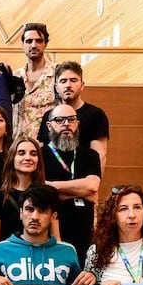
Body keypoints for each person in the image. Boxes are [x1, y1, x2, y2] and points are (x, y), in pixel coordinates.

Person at [0, 184, 92, 285]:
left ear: (53, 216)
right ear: (21, 213)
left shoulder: (68, 251)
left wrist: (90, 280)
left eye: (42, 211)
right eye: (29, 209)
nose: (35, 217)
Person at [43, 103, 101, 266]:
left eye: (71, 119)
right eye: (59, 120)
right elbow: (42, 192)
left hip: (85, 235)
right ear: (49, 125)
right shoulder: (40, 155)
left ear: (78, 124)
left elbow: (92, 187)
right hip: (53, 237)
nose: (66, 124)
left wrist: (53, 186)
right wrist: (81, 191)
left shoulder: (90, 155)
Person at [37, 61, 111, 171]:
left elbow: (100, 155)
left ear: (82, 85)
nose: (68, 85)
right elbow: (41, 152)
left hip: (82, 180)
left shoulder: (96, 115)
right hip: (50, 181)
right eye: (63, 81)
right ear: (56, 87)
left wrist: (94, 182)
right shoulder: (49, 115)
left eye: (73, 80)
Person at [0, 135, 51, 246]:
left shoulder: (48, 195)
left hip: (41, 258)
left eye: (33, 154)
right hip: (8, 259)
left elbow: (55, 237)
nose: (28, 158)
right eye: (21, 153)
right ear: (12, 158)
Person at [13, 22, 56, 140]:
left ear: (45, 44)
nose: (33, 45)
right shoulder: (15, 77)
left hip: (48, 144)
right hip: (19, 146)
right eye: (29, 41)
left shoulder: (58, 73)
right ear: (23, 44)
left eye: (39, 41)